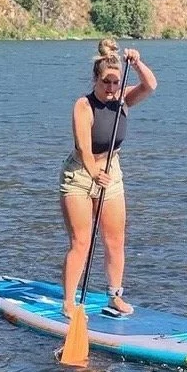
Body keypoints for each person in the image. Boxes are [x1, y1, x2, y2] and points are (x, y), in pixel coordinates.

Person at [59, 37, 157, 320]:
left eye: (116, 82)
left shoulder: (124, 98)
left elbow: (151, 85)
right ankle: (68, 302)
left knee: (115, 240)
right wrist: (93, 174)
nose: (112, 88)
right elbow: (83, 148)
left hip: (112, 174)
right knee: (82, 242)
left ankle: (115, 296)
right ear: (95, 80)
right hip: (80, 174)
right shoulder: (83, 106)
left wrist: (136, 63)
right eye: (106, 83)